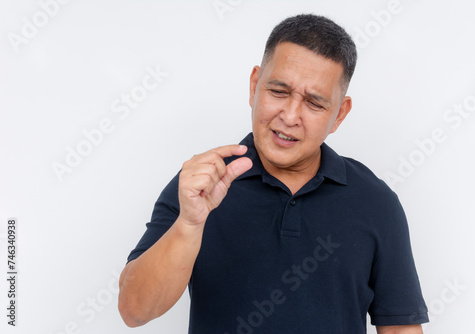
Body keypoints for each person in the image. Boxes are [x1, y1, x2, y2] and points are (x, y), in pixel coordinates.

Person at [118, 14, 429, 333]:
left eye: (314, 103)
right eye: (279, 91)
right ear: (255, 86)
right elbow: (134, 311)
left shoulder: (375, 202)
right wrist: (189, 223)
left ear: (339, 114)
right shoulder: (199, 186)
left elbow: (401, 328)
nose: (290, 116)